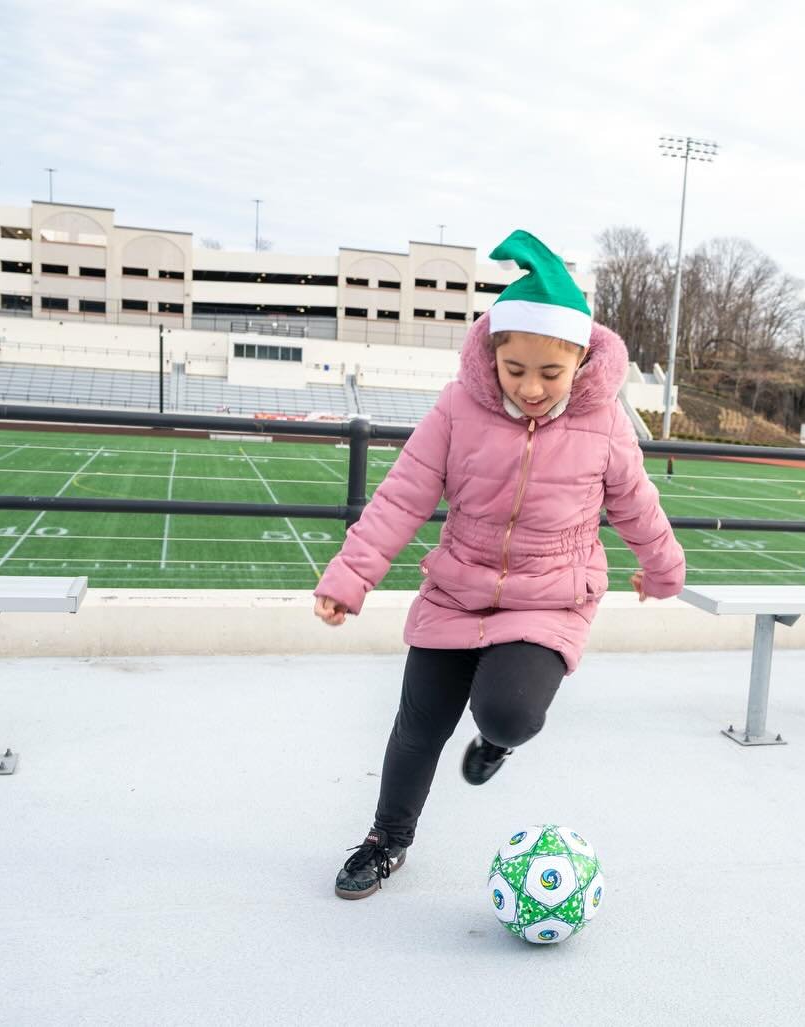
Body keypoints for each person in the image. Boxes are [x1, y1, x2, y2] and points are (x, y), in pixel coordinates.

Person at [313, 229, 686, 899]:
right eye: (516, 371)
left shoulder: (604, 424)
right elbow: (403, 493)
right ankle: (387, 840)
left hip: (550, 597)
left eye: (552, 373)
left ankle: (497, 742)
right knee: (419, 724)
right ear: (493, 353)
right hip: (457, 588)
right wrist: (349, 577)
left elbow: (637, 504)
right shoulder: (459, 408)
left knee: (508, 712)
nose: (533, 387)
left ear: (581, 359)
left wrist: (662, 570)